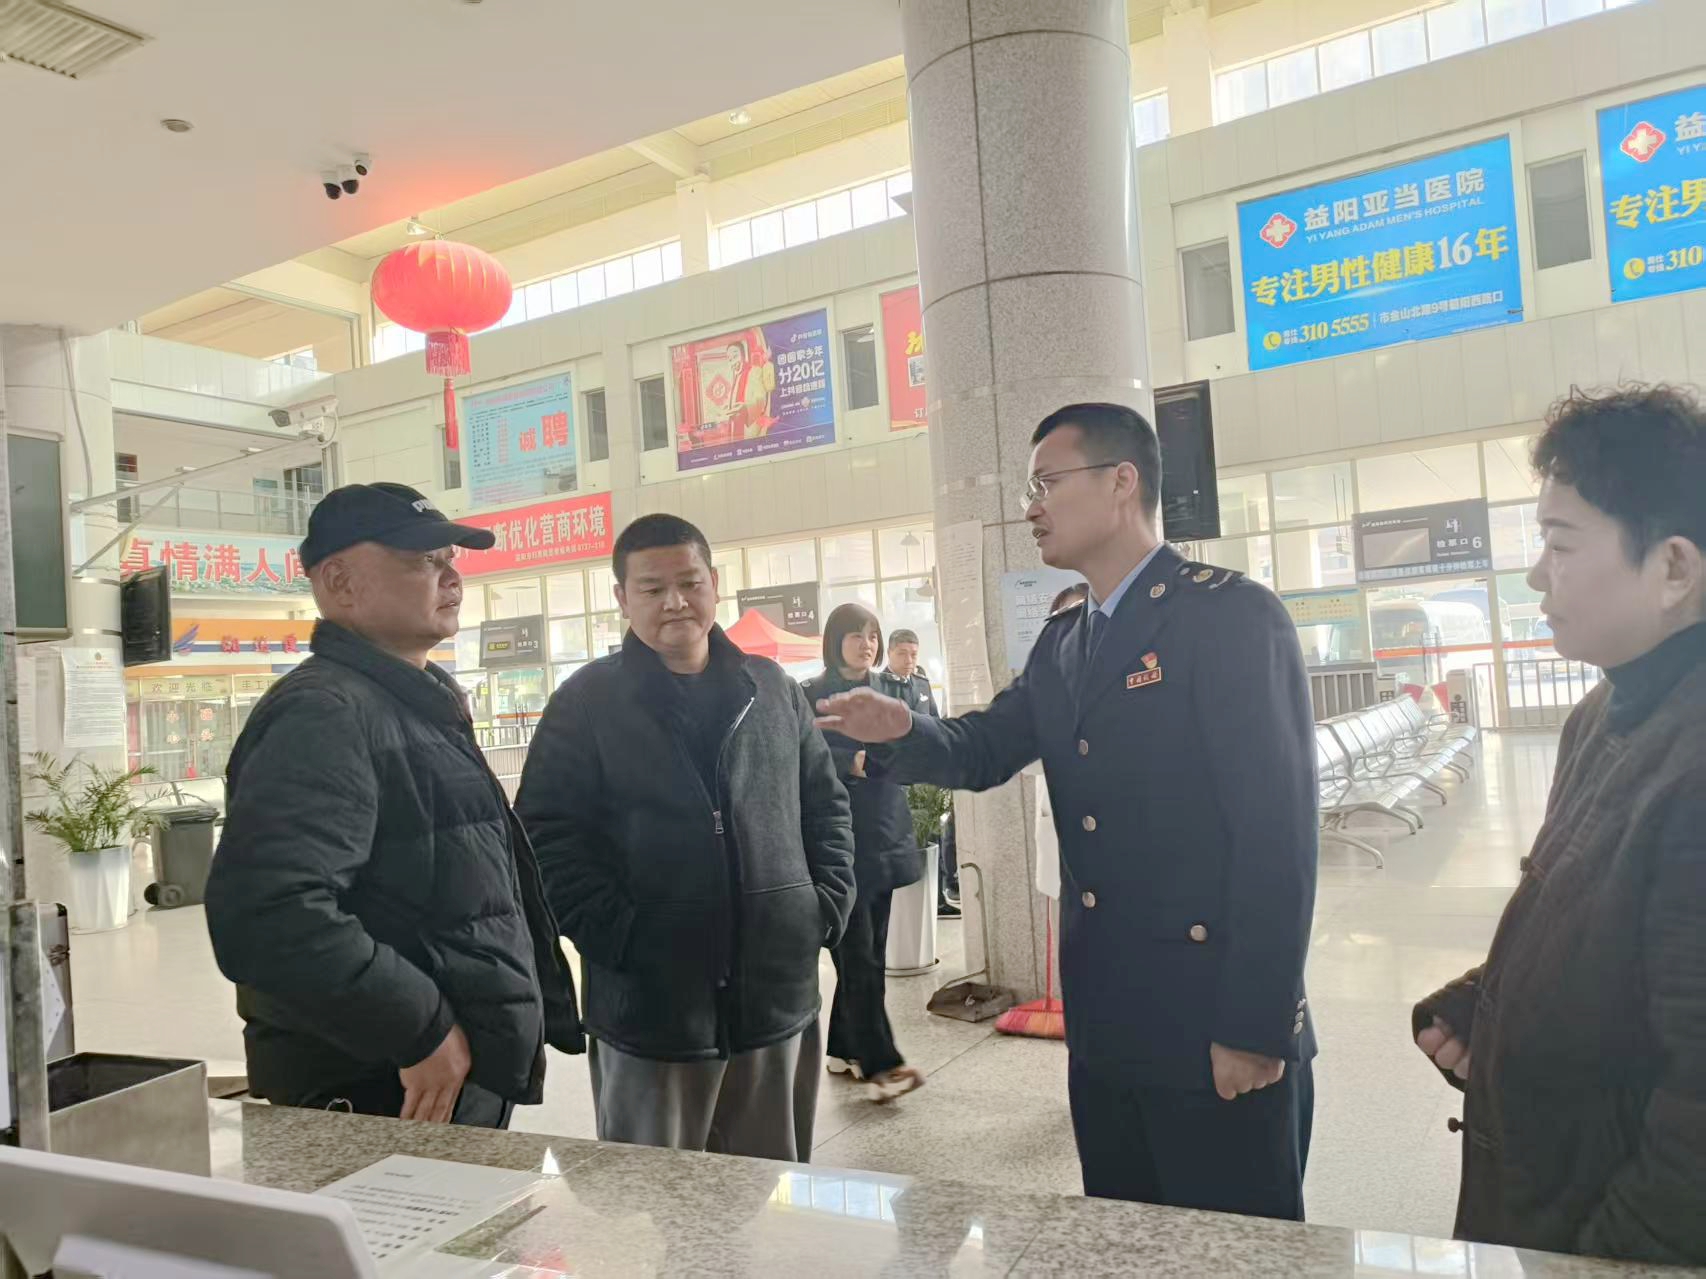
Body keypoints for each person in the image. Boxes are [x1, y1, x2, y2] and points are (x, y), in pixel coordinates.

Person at [817, 402, 1318, 1219]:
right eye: (1030, 488)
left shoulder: (1228, 617)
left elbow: (1279, 832)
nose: (1031, 506)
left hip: (1212, 1022)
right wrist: (903, 728)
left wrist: (1257, 1024)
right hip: (1109, 1028)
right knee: (1121, 1239)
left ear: (1122, 482)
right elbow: (986, 746)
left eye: (1047, 482)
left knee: (1233, 1254)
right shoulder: (1066, 639)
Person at [1413, 385, 1706, 1266]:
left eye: (1561, 542)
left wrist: (1604, 1259)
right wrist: (1493, 1002)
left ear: (1675, 567)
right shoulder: (1603, 713)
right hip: (1543, 1191)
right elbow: (1601, 928)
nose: (1538, 574)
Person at [205, 483, 583, 1128]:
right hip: (383, 1083)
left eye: (450, 560)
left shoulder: (415, 701)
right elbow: (267, 911)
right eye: (422, 560)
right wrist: (419, 1026)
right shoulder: (324, 713)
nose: (452, 578)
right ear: (340, 582)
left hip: (445, 1070)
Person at [515, 514, 855, 1160]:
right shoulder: (586, 703)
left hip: (776, 999)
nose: (674, 601)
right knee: (655, 1202)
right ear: (622, 598)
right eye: (652, 588)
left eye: (689, 582)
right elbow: (544, 840)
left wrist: (822, 908)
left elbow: (826, 806)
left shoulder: (772, 690)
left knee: (770, 1195)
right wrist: (621, 936)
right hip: (652, 1013)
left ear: (714, 584)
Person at [802, 605, 927, 1103]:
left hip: (884, 833)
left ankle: (843, 1048)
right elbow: (798, 758)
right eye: (856, 635)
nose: (867, 643)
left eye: (872, 635)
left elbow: (913, 747)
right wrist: (847, 761)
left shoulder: (890, 691)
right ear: (835, 640)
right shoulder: (810, 695)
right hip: (838, 840)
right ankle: (881, 1063)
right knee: (855, 954)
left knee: (869, 952)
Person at [881, 629, 955, 916]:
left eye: (913, 654)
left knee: (932, 836)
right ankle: (904, 904)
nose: (909, 660)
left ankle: (937, 899)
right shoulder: (878, 686)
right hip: (895, 780)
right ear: (889, 653)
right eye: (902, 653)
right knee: (903, 839)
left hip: (924, 779)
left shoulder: (922, 685)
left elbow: (935, 725)